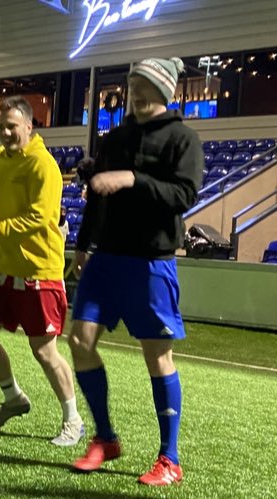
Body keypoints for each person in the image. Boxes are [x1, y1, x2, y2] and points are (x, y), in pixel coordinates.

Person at [66, 57, 204, 487]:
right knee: (79, 340)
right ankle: (105, 438)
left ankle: (170, 458)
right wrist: (83, 245)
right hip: (105, 258)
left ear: (166, 90)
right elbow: (97, 194)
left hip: (151, 261)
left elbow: (185, 194)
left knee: (156, 355)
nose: (138, 94)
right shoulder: (117, 137)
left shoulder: (183, 138)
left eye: (147, 86)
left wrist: (132, 179)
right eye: (133, 85)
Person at [0, 96, 82, 446]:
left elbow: (38, 219)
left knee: (44, 351)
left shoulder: (43, 165)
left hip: (39, 273)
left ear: (30, 127)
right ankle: (14, 398)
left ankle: (72, 419)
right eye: (0, 126)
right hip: (3, 271)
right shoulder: (1, 159)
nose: (4, 132)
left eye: (11, 126)